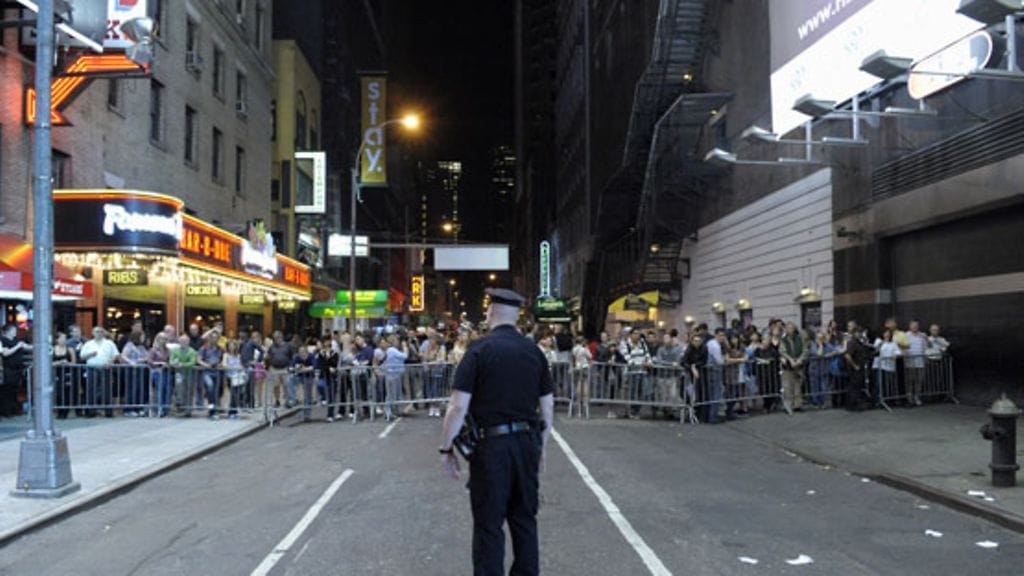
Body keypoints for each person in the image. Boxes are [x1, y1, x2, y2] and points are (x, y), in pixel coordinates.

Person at [438, 288, 554, 576]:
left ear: (490, 313)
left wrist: (446, 448)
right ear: (517, 317)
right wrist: (541, 449)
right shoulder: (534, 352)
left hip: (491, 449)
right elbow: (548, 409)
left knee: (489, 525)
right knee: (525, 520)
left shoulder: (478, 350)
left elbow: (457, 407)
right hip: (527, 443)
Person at [78, 326, 118, 417]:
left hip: (105, 368)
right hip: (92, 368)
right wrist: (91, 354)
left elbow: (115, 354)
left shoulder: (109, 343)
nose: (99, 333)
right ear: (93, 333)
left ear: (103, 333)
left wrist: (110, 362)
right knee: (91, 390)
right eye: (96, 332)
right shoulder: (88, 344)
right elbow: (82, 356)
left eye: (100, 332)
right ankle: (91, 411)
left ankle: (108, 411)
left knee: (107, 390)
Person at [0, 324, 31, 417]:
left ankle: (14, 409)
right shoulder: (3, 341)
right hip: (7, 368)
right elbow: (5, 353)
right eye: (13, 330)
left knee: (15, 390)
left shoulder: (16, 340)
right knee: (6, 390)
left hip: (17, 369)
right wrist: (17, 347)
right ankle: (5, 410)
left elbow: (27, 347)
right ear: (8, 331)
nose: (15, 332)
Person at [779, 322, 807, 412]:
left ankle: (797, 405)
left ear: (794, 329)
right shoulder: (783, 340)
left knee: (798, 385)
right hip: (787, 366)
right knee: (787, 386)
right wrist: (790, 360)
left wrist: (800, 360)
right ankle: (788, 405)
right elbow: (782, 351)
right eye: (788, 328)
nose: (790, 330)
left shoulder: (800, 339)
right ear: (786, 330)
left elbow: (805, 350)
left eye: (792, 328)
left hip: (798, 366)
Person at [120, 331, 149, 417]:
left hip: (140, 370)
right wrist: (131, 362)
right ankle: (129, 409)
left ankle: (138, 408)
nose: (143, 338)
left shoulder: (141, 347)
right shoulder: (129, 345)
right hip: (131, 370)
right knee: (131, 389)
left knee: (139, 389)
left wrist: (142, 360)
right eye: (142, 336)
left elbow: (146, 357)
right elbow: (123, 356)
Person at [169, 334, 198, 417]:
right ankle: (181, 407)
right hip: (179, 373)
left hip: (189, 373)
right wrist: (174, 364)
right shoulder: (175, 350)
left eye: (185, 341)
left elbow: (192, 362)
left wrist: (182, 364)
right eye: (181, 341)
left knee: (189, 391)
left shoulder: (192, 351)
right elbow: (171, 361)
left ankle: (188, 410)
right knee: (179, 390)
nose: (183, 342)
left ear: (188, 342)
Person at [197, 333, 224, 419]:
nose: (214, 339)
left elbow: (223, 359)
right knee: (210, 386)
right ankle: (212, 410)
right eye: (212, 338)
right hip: (207, 372)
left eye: (216, 338)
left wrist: (220, 364)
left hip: (217, 372)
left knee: (215, 392)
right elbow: (198, 360)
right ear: (209, 339)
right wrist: (206, 365)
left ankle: (213, 410)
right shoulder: (204, 348)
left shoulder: (220, 349)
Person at [265, 331, 292, 410]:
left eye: (278, 337)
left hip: (284, 368)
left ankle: (287, 401)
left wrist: (290, 366)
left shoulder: (287, 346)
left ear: (281, 337)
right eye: (275, 338)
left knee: (286, 385)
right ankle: (277, 400)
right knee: (276, 386)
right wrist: (268, 366)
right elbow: (268, 356)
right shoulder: (272, 347)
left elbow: (291, 356)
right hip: (274, 368)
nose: (276, 339)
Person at [53, 332, 77, 419]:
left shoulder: (70, 349)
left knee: (66, 392)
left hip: (67, 373)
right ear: (57, 340)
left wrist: (67, 363)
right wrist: (58, 363)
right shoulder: (52, 349)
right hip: (56, 374)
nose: (64, 340)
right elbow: (49, 362)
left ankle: (65, 412)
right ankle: (59, 411)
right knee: (58, 392)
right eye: (62, 338)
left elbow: (74, 363)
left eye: (65, 338)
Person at [148, 333, 171, 417]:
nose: (163, 341)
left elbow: (170, 360)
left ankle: (165, 409)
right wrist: (159, 363)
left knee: (166, 390)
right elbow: (149, 361)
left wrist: (168, 364)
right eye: (162, 338)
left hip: (165, 372)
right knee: (159, 390)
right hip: (156, 373)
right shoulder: (153, 350)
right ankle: (159, 408)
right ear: (158, 339)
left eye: (165, 339)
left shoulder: (168, 350)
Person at [905, 320, 927, 406]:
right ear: (910, 327)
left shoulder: (922, 335)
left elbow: (925, 346)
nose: (915, 327)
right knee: (910, 380)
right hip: (910, 361)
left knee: (919, 380)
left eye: (916, 326)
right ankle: (909, 396)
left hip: (920, 361)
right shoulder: (906, 335)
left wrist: (925, 357)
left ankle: (917, 396)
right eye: (913, 326)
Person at [222, 340, 246, 419]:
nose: (232, 347)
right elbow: (224, 365)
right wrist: (234, 367)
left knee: (237, 394)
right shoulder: (226, 355)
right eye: (230, 345)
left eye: (233, 345)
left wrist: (241, 368)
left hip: (238, 377)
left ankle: (233, 412)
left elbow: (241, 365)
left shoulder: (238, 355)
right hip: (230, 377)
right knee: (233, 394)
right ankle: (232, 412)